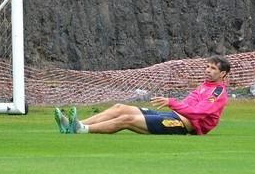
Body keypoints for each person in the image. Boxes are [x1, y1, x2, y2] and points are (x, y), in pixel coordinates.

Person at [55, 55, 231, 135]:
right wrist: (175, 105)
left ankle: (82, 129)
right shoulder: (203, 86)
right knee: (120, 108)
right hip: (175, 115)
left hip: (184, 124)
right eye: (207, 67)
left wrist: (171, 102)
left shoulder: (217, 92)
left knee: (127, 119)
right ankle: (74, 124)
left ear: (222, 74)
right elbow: (189, 105)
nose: (208, 70)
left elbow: (197, 113)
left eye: (213, 68)